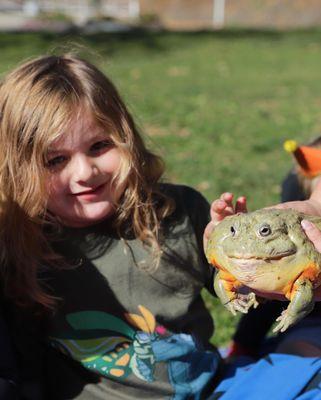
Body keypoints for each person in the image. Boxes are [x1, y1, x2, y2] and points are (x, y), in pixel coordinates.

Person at [0, 53, 224, 399]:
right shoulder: (22, 243)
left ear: (126, 136)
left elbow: (253, 294)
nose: (86, 172)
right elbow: (22, 364)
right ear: (20, 169)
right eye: (55, 160)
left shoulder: (179, 212)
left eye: (99, 146)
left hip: (213, 389)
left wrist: (240, 256)